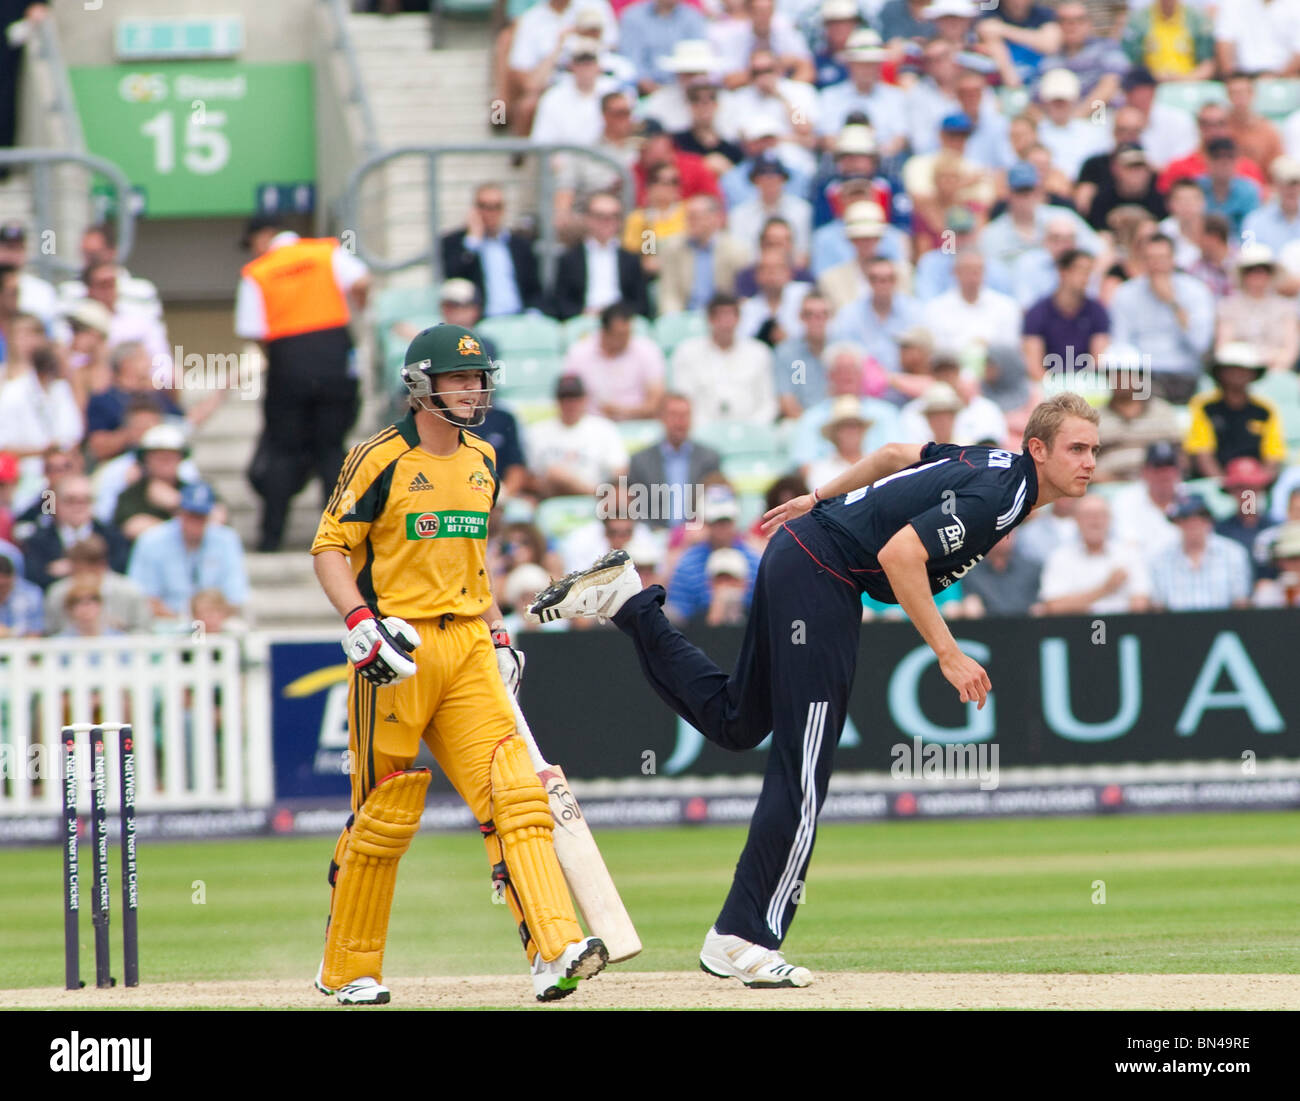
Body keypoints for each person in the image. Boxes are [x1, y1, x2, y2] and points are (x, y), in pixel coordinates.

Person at [527, 393, 1101, 985]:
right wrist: (950, 655)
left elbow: (895, 452)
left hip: (802, 553)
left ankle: (628, 602)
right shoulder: (1000, 493)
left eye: (1093, 450)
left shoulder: (997, 466)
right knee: (803, 769)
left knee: (737, 721)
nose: (1089, 462)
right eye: (1077, 449)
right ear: (1038, 448)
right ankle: (741, 936)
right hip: (823, 573)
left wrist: (817, 498)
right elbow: (900, 554)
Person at [310, 322, 607, 1005]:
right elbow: (330, 548)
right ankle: (348, 968)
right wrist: (360, 623)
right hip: (398, 649)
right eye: (460, 379)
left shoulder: (484, 457)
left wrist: (499, 634)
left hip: (470, 640)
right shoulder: (377, 457)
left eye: (479, 378)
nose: (475, 390)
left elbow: (473, 559)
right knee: (384, 814)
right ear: (421, 385)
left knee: (517, 794)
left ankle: (553, 946)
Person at [235, 215, 371, 552]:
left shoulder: (258, 271)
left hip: (288, 364)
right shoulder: (325, 252)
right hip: (334, 360)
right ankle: (341, 539)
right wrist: (359, 313)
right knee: (331, 450)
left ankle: (271, 539)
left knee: (283, 452)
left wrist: (285, 354)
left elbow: (252, 330)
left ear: (265, 237)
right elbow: (362, 281)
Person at [126, 483, 248, 622]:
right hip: (164, 625)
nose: (195, 522)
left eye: (201, 516)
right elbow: (143, 596)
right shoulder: (151, 540)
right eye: (191, 515)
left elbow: (235, 596)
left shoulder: (226, 539)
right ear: (180, 512)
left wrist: (207, 619)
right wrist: (182, 621)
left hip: (214, 624)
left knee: (238, 626)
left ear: (209, 516)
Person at [440, 184, 543, 317]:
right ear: (474, 209)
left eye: (496, 207)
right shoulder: (456, 243)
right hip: (480, 323)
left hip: (519, 318)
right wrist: (473, 242)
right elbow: (454, 280)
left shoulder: (520, 244)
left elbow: (534, 288)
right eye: (484, 206)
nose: (491, 213)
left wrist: (533, 314)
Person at [625, 392, 722, 529]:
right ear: (661, 418)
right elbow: (635, 508)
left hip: (696, 535)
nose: (680, 421)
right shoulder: (641, 461)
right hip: (653, 537)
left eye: (685, 415)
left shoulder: (709, 459)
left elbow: (715, 503)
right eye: (674, 415)